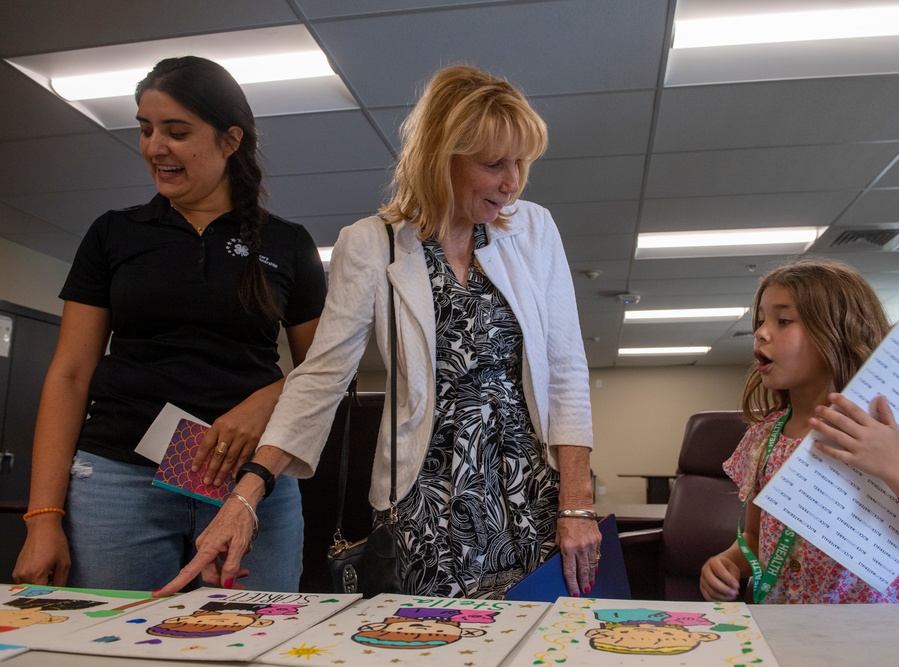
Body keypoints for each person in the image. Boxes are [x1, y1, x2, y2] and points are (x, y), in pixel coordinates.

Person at [158, 63, 600, 599]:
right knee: (436, 648)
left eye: (521, 163)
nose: (513, 182)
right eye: (494, 164)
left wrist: (577, 504)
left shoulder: (533, 229)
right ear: (443, 158)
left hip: (533, 492)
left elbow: (566, 370)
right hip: (427, 505)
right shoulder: (372, 243)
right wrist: (246, 495)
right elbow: (321, 377)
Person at [12, 56, 327, 592]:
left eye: (177, 132)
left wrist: (263, 403)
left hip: (248, 483)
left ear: (231, 140)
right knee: (117, 642)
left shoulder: (286, 243)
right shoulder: (114, 234)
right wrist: (42, 518)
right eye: (145, 129)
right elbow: (69, 374)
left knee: (246, 637)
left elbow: (324, 372)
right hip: (117, 479)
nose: (155, 146)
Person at [699, 259, 899, 604]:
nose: (762, 332)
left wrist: (897, 466)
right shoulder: (763, 441)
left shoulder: (888, 426)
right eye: (761, 320)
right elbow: (756, 535)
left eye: (783, 321)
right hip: (793, 634)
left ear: (838, 332)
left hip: (889, 639)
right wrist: (728, 563)